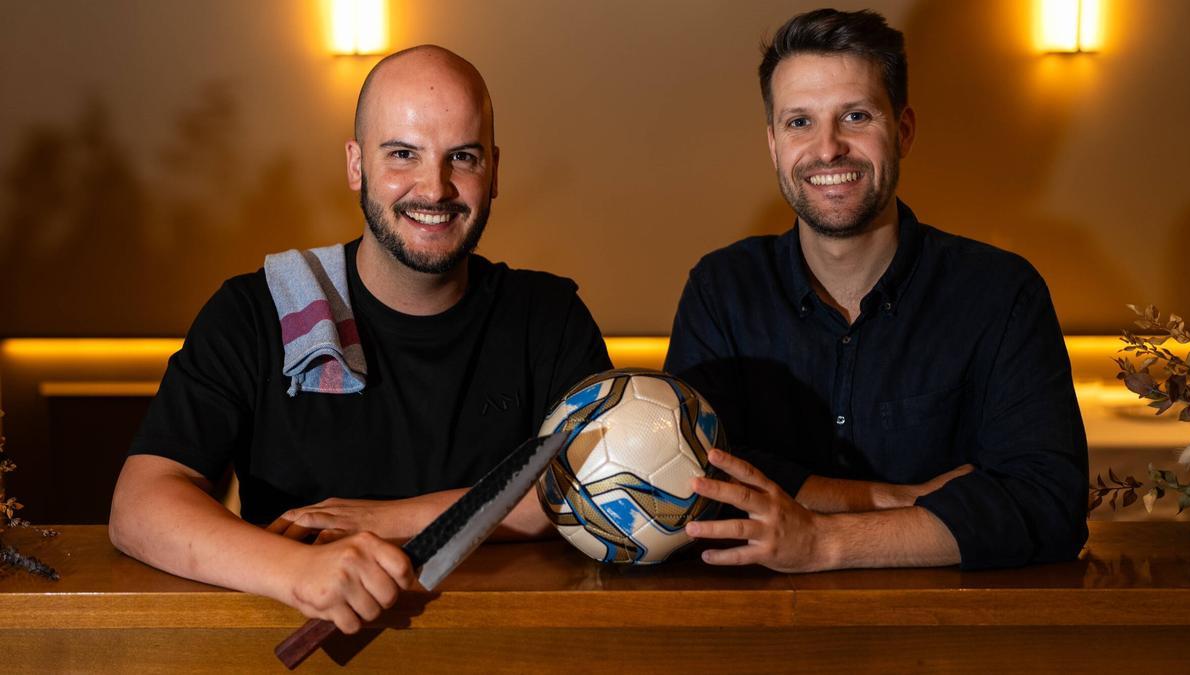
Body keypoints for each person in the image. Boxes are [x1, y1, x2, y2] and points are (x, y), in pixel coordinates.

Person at [109, 46, 611, 633]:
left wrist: (389, 520)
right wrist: (298, 571)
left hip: (507, 648)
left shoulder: (546, 317)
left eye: (464, 157)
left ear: (494, 171)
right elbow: (139, 505)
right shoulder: (257, 311)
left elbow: (600, 486)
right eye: (402, 153)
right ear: (356, 165)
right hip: (304, 646)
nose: (435, 186)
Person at [667, 9, 1088, 572]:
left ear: (904, 130)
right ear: (773, 144)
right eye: (799, 123)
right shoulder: (721, 290)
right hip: (758, 642)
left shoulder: (1002, 293)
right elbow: (692, 478)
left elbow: (1048, 505)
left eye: (856, 116)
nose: (828, 148)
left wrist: (822, 540)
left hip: (947, 646)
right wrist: (892, 498)